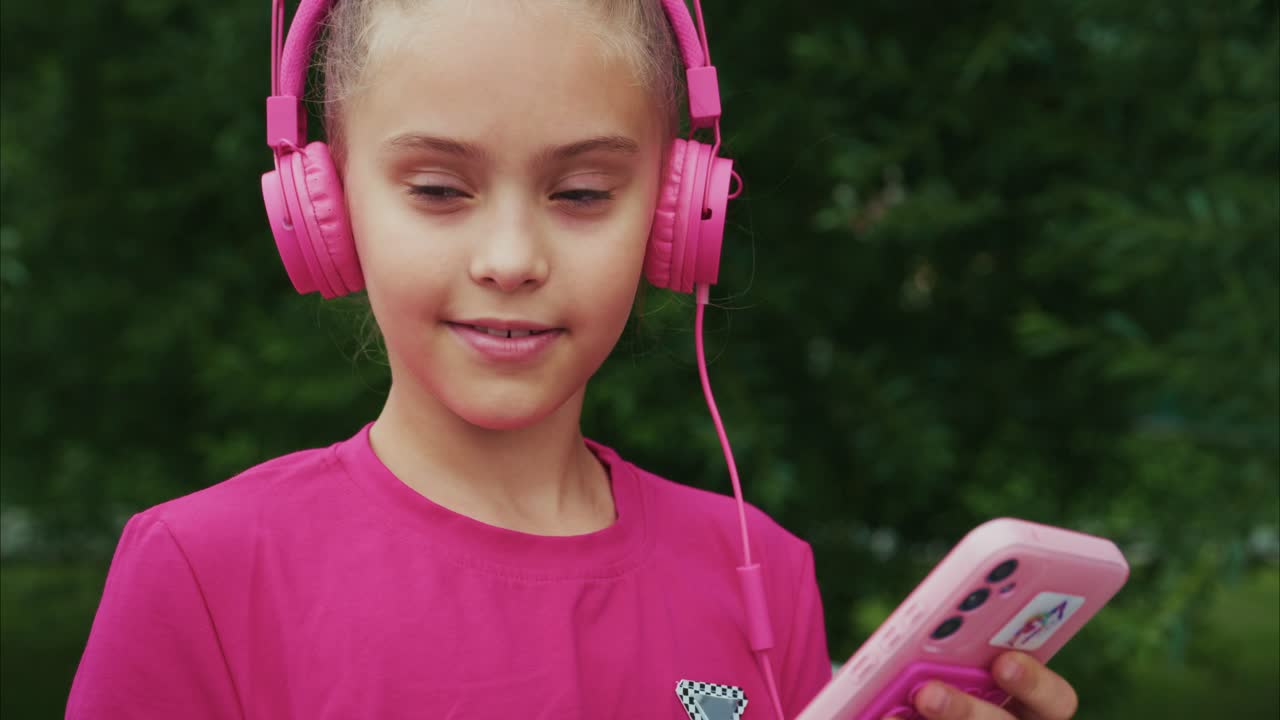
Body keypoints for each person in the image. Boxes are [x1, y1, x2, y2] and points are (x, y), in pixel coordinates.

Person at [65, 1, 1084, 719]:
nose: (511, 259)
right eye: (436, 188)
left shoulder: (760, 573)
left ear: (679, 214)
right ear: (322, 209)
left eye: (583, 193)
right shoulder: (203, 572)